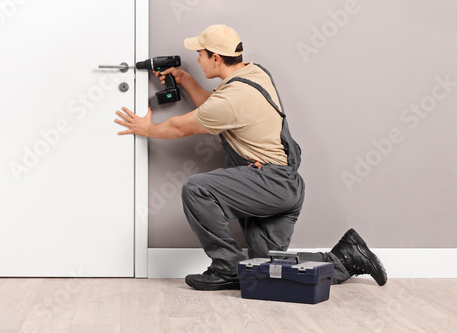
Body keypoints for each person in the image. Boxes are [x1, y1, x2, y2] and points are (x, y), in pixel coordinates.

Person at [115, 24, 387, 290]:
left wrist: (147, 128)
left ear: (216, 58)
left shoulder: (231, 99)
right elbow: (216, 108)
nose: (197, 59)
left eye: (201, 54)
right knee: (263, 270)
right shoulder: (254, 73)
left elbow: (181, 126)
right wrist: (185, 79)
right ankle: (346, 257)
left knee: (196, 188)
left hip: (271, 183)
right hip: (282, 183)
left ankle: (226, 267)